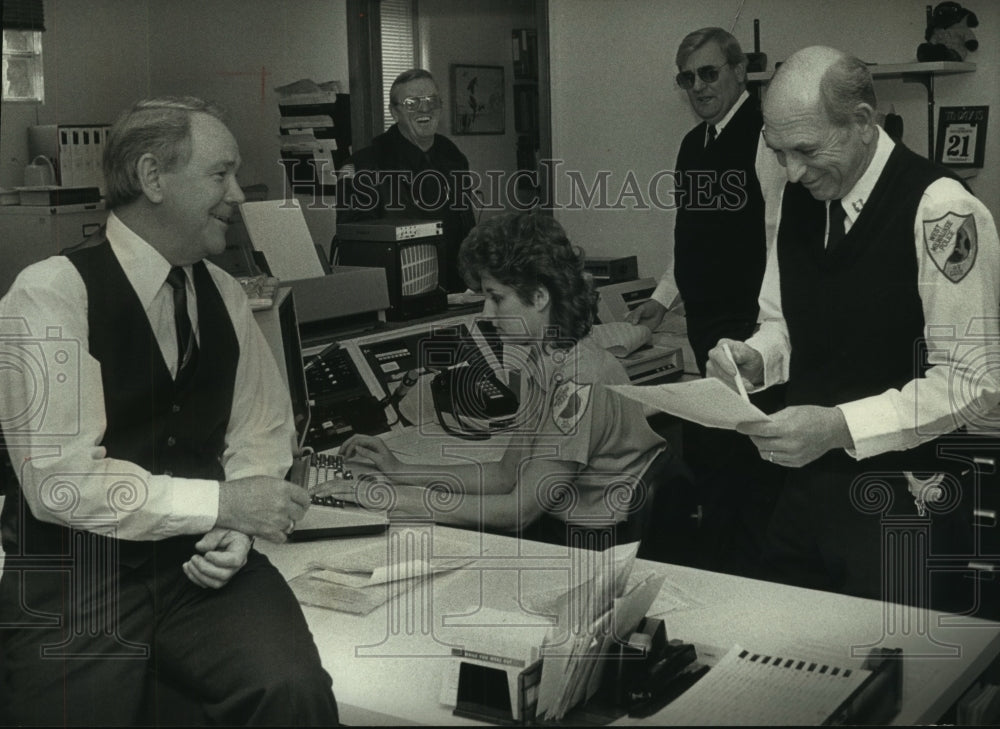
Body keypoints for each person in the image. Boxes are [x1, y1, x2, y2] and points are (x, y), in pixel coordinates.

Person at [0, 97, 340, 725]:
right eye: (220, 174)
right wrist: (222, 505)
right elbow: (59, 484)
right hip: (80, 576)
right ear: (153, 178)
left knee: (292, 692)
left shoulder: (226, 293)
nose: (238, 195)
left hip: (198, 571)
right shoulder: (48, 295)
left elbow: (261, 431)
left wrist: (236, 531)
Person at [706, 46, 1000, 615]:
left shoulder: (942, 210)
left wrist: (840, 426)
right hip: (804, 496)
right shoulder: (801, 195)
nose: (791, 171)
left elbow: (971, 382)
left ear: (863, 123)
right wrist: (756, 357)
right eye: (778, 151)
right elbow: (785, 323)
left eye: (807, 150)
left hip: (908, 504)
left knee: (894, 688)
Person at [337, 212, 683, 548]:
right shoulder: (547, 360)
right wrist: (400, 471)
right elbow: (505, 474)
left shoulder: (578, 379)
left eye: (496, 298)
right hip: (565, 529)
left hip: (587, 544)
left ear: (539, 297)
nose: (486, 314)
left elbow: (519, 511)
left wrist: (394, 499)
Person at [627, 27, 783, 576]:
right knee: (711, 462)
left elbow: (776, 236)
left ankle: (746, 587)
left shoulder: (766, 138)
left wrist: (769, 323)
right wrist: (662, 299)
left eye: (709, 72)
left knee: (746, 469)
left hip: (750, 327)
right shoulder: (695, 143)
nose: (698, 86)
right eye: (687, 77)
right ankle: (716, 578)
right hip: (704, 325)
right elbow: (688, 235)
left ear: (741, 71)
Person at [337, 68, 476, 293]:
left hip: (457, 292)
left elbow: (466, 227)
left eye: (432, 100)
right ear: (394, 112)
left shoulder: (453, 156)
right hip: (400, 295)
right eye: (412, 102)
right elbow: (358, 253)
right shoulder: (363, 166)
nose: (425, 108)